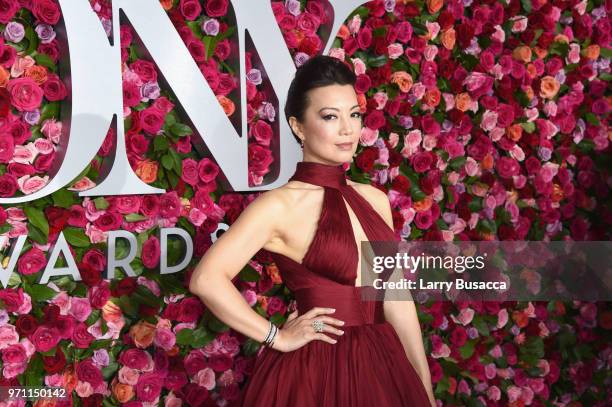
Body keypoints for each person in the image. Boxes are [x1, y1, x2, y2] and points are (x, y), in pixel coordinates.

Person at [189, 55, 436, 406]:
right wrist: (277, 337)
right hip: (315, 372)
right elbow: (206, 279)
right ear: (298, 126)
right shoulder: (280, 205)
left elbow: (395, 298)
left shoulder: (374, 200)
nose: (348, 129)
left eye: (353, 114)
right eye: (330, 117)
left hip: (383, 365)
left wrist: (422, 385)